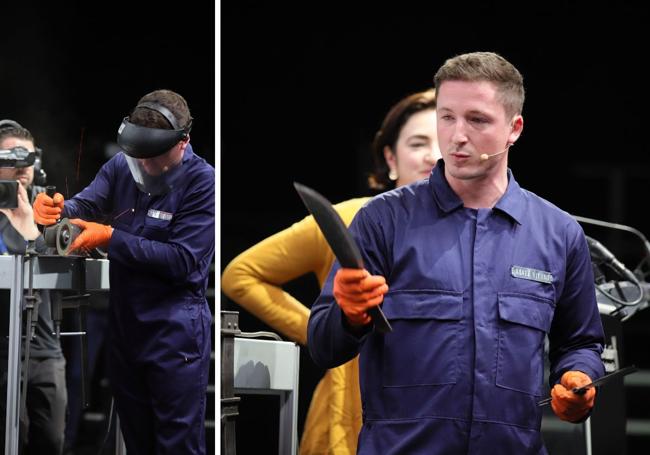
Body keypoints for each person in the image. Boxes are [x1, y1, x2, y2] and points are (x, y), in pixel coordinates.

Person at [307, 52, 606, 454]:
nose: (457, 135)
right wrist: (348, 314)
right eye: (447, 117)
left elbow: (581, 343)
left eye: (477, 120)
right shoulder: (383, 221)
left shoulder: (558, 233)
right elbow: (324, 347)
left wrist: (579, 381)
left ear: (514, 128)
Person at [221, 89, 440, 454]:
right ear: (390, 158)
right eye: (419, 143)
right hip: (350, 417)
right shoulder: (351, 217)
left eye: (443, 142)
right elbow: (240, 274)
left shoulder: (472, 233)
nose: (433, 156)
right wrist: (321, 332)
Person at [32, 89, 215, 454]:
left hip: (175, 338)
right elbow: (87, 203)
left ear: (183, 143)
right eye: (138, 157)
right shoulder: (123, 165)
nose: (143, 167)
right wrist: (56, 209)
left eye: (153, 158)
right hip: (126, 333)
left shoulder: (203, 182)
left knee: (177, 446)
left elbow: (182, 260)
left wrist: (111, 238)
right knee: (137, 444)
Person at [0, 120, 67, 454]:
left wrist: (30, 228)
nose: (21, 168)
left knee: (50, 440)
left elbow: (60, 267)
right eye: (10, 159)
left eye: (27, 158)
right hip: (1, 346)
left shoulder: (50, 209)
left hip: (43, 346)